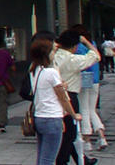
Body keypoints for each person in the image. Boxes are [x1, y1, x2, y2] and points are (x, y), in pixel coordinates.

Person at [53, 29, 99, 165]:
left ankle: (83, 160)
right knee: (70, 134)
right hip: (69, 97)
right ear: (75, 46)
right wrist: (86, 42)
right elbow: (96, 56)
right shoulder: (72, 59)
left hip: (53, 97)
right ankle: (62, 161)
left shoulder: (53, 56)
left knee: (67, 133)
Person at [30, 37, 77, 165]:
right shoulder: (51, 72)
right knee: (48, 159)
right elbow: (63, 98)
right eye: (52, 51)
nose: (54, 54)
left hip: (39, 116)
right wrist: (74, 115)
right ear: (46, 54)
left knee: (42, 157)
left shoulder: (34, 70)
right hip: (52, 118)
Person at [74, 27, 108, 152]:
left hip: (83, 79)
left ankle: (87, 140)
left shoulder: (77, 48)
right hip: (95, 80)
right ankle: (102, 136)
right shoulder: (92, 44)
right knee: (91, 109)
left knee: (84, 110)